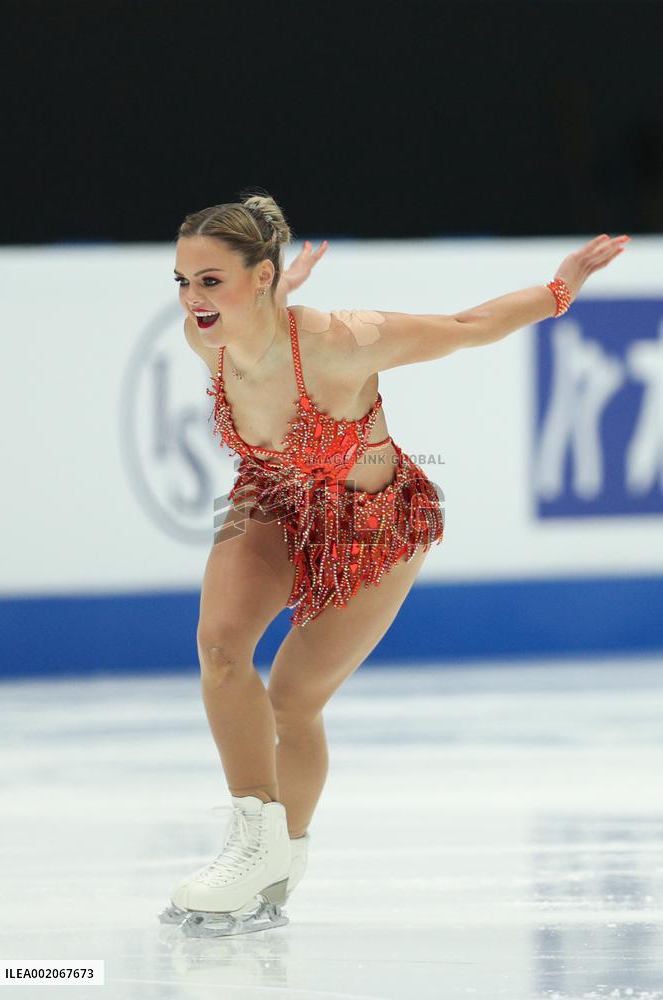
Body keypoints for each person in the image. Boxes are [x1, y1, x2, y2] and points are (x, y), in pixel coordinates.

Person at [160, 190, 630, 936]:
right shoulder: (205, 339)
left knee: (291, 703)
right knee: (219, 648)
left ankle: (285, 860)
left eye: (210, 280)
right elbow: (255, 333)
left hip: (372, 530)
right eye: (182, 282)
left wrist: (562, 285)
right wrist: (258, 301)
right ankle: (253, 842)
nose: (192, 299)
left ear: (259, 276)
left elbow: (469, 327)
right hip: (272, 503)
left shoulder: (345, 343)